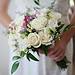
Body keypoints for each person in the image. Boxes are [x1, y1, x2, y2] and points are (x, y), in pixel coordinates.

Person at [0, 0, 75, 75]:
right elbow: (1, 12)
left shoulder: (63, 41)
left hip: (60, 43)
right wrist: (23, 36)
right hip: (24, 45)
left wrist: (64, 40)